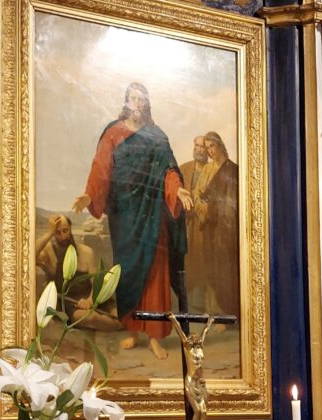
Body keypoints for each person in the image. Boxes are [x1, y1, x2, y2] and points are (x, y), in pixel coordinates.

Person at [72, 82, 193, 359]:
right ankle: (133, 330)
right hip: (124, 215)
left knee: (155, 274)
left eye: (141, 99)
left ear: (146, 104)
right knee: (127, 272)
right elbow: (101, 168)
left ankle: (154, 336)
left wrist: (177, 190)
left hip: (152, 215)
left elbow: (169, 170)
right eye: (133, 98)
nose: (137, 104)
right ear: (126, 102)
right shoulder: (113, 132)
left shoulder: (157, 136)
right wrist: (89, 195)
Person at [35, 214, 120, 330]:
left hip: (93, 298)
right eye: (57, 232)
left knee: (120, 313)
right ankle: (122, 325)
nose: (63, 236)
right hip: (71, 304)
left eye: (65, 231)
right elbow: (29, 256)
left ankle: (124, 322)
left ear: (70, 229)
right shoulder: (50, 252)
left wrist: (90, 300)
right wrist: (49, 233)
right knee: (91, 318)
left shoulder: (86, 252)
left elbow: (96, 282)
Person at [200, 131, 239, 317]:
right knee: (216, 273)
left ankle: (229, 314)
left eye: (212, 146)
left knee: (227, 273)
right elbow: (206, 197)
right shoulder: (213, 170)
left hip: (226, 230)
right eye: (207, 147)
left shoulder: (231, 170)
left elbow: (230, 206)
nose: (210, 151)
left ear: (220, 145)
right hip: (214, 230)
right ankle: (222, 313)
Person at [179, 136, 216, 312]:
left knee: (202, 261)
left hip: (204, 225)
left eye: (203, 147)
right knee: (186, 261)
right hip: (185, 223)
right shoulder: (184, 169)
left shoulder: (212, 171)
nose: (199, 149)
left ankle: (202, 305)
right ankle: (186, 303)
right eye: (197, 146)